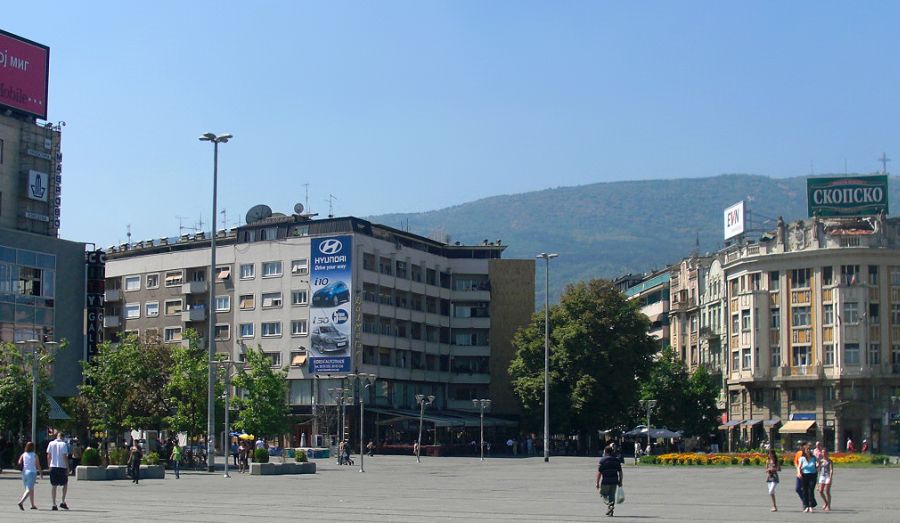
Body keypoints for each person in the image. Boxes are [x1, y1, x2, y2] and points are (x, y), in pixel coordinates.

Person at [595, 446, 623, 517]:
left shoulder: (602, 460)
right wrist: (620, 481)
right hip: (614, 481)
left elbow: (599, 473)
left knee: (603, 494)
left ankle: (609, 504)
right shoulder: (616, 460)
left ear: (605, 451)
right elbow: (620, 472)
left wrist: (597, 483)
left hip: (605, 481)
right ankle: (610, 511)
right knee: (612, 495)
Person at [46, 431, 70, 510]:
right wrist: (67, 467)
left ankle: (54, 504)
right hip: (62, 467)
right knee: (65, 484)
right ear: (63, 437)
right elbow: (64, 456)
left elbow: (48, 456)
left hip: (53, 466)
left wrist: (49, 465)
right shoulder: (63, 444)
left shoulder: (51, 443)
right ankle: (63, 501)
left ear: (57, 436)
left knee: (54, 485)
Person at [17, 441, 40, 511]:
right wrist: (41, 473)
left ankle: (32, 505)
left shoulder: (23, 454)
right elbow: (37, 465)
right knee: (29, 489)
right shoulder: (34, 455)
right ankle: (21, 502)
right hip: (32, 472)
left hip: (24, 473)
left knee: (31, 489)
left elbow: (19, 462)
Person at [796, 443, 817, 512]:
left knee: (810, 490)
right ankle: (806, 506)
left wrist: (818, 465)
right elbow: (799, 467)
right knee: (804, 491)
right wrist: (799, 473)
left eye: (809, 449)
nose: (808, 451)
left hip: (812, 475)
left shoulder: (813, 458)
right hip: (804, 475)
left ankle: (811, 506)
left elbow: (817, 464)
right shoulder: (802, 458)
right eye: (806, 450)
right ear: (804, 451)